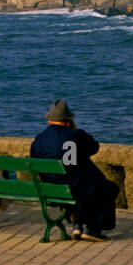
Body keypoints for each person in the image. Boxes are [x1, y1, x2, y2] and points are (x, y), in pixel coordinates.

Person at [30, 99, 118, 242]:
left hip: (52, 188)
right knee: (107, 187)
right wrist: (75, 131)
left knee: (74, 184)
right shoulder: (75, 135)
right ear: (68, 120)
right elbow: (94, 147)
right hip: (76, 188)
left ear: (49, 120)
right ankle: (93, 229)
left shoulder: (40, 139)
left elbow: (35, 159)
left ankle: (77, 224)